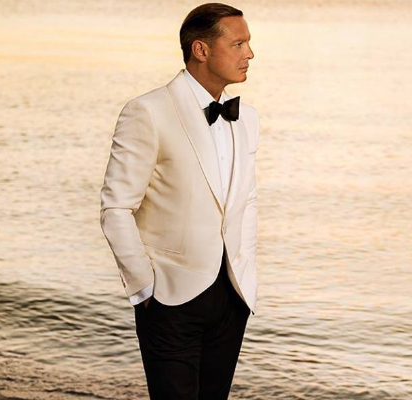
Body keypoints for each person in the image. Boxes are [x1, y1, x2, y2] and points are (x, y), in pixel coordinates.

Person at [99, 3, 259, 399]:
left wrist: (246, 278)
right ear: (201, 50)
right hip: (170, 297)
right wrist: (144, 287)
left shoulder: (247, 118)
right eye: (238, 44)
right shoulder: (147, 111)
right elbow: (116, 208)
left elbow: (246, 201)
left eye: (248, 44)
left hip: (232, 296)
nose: (250, 54)